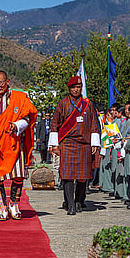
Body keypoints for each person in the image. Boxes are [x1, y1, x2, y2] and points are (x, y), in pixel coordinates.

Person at [0, 70, 38, 220]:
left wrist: (17, 126)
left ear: (7, 82)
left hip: (15, 143)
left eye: (0, 82)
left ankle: (14, 204)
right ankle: (2, 208)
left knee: (17, 176)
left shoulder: (19, 98)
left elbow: (27, 117)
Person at [49, 76, 100, 215]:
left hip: (84, 144)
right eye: (73, 87)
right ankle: (70, 205)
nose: (76, 89)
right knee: (68, 175)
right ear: (69, 89)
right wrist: (54, 144)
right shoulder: (62, 104)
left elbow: (94, 123)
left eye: (78, 87)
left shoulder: (88, 104)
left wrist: (95, 142)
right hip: (68, 143)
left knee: (83, 175)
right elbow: (54, 124)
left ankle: (78, 201)